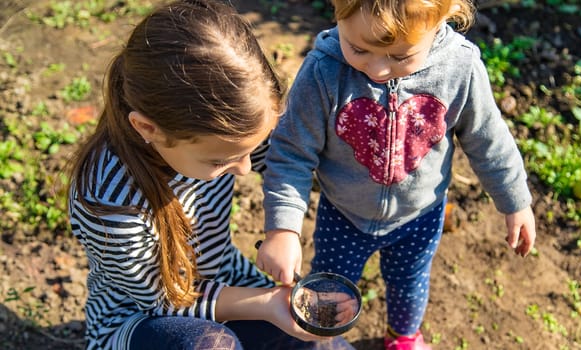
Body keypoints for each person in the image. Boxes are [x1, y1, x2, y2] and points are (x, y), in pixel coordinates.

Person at [66, 1, 356, 349]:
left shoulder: (222, 140)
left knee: (321, 345)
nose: (246, 168)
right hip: (143, 320)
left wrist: (284, 230)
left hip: (224, 282)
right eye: (222, 162)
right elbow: (162, 300)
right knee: (210, 345)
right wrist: (267, 305)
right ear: (148, 128)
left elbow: (285, 161)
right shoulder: (108, 199)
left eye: (251, 152)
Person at [256, 0, 537, 349]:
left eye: (400, 57)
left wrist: (515, 200)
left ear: (442, 20)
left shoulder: (459, 67)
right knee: (330, 288)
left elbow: (488, 139)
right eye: (358, 48)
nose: (377, 69)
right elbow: (291, 153)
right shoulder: (323, 71)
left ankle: (402, 337)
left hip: (420, 216)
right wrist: (283, 229)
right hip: (344, 214)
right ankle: (321, 340)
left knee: (410, 282)